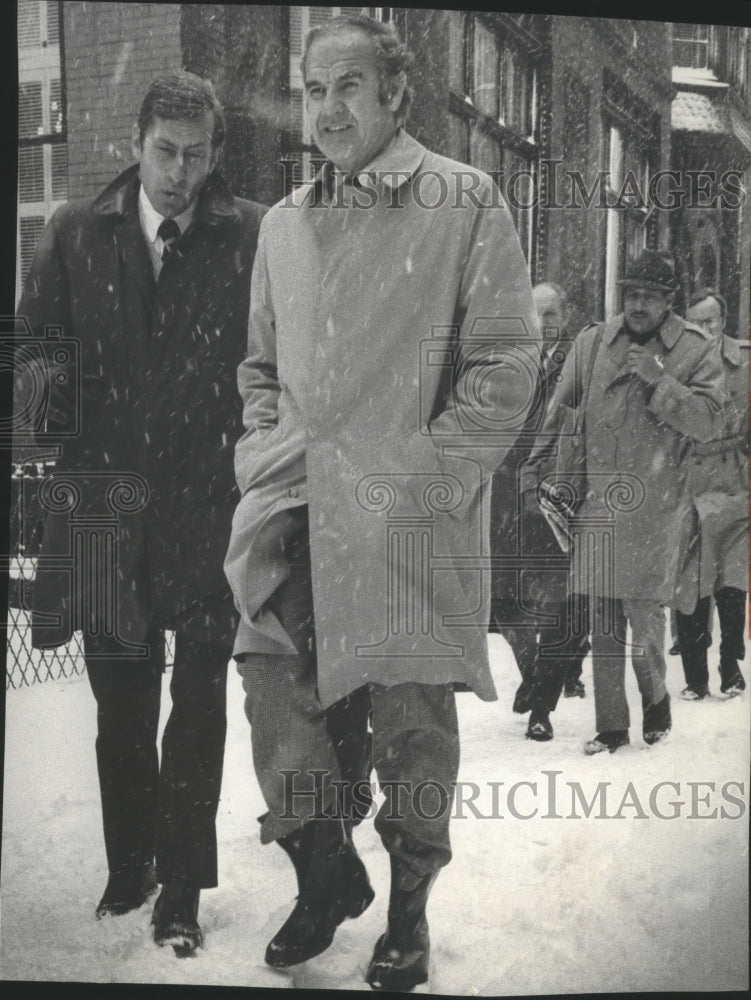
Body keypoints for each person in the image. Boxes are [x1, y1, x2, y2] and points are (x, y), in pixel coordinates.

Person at [223, 13, 537, 991]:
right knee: (273, 683)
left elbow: (504, 366)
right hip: (295, 508)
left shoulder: (463, 199)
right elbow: (259, 367)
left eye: (347, 87)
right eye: (313, 90)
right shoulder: (284, 224)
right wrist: (263, 447)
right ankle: (324, 871)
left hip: (406, 520)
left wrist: (423, 480)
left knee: (410, 728)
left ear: (395, 94)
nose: (326, 109)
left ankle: (408, 908)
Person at [15, 72, 266, 953]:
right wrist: (54, 405)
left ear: (216, 153)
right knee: (119, 704)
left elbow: (273, 365)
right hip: (104, 508)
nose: (179, 173)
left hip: (208, 507)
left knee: (198, 704)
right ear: (136, 143)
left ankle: (181, 890)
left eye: (195, 155)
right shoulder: (75, 231)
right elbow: (33, 356)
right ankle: (130, 866)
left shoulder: (252, 236)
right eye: (165, 151)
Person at [529, 250, 725, 754]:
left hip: (657, 505)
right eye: (632, 294)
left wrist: (661, 380)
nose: (638, 305)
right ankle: (611, 726)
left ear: (669, 301)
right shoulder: (594, 342)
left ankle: (656, 697)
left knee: (643, 615)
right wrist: (538, 468)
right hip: (599, 501)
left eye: (649, 297)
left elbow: (710, 423)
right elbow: (560, 410)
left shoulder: (694, 349)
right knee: (603, 619)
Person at [489, 282, 589, 742]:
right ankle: (533, 675)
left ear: (564, 317)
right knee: (505, 601)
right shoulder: (507, 361)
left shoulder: (579, 362)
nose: (542, 322)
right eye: (535, 313)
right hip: (505, 492)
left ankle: (542, 707)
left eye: (551, 313)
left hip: (552, 491)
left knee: (555, 603)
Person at [674, 289, 748, 699]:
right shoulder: (675, 362)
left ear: (723, 321)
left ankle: (731, 665)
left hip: (734, 481)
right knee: (691, 584)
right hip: (688, 484)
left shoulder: (745, 362)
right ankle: (695, 677)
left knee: (732, 580)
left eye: (710, 321)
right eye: (695, 323)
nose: (703, 329)